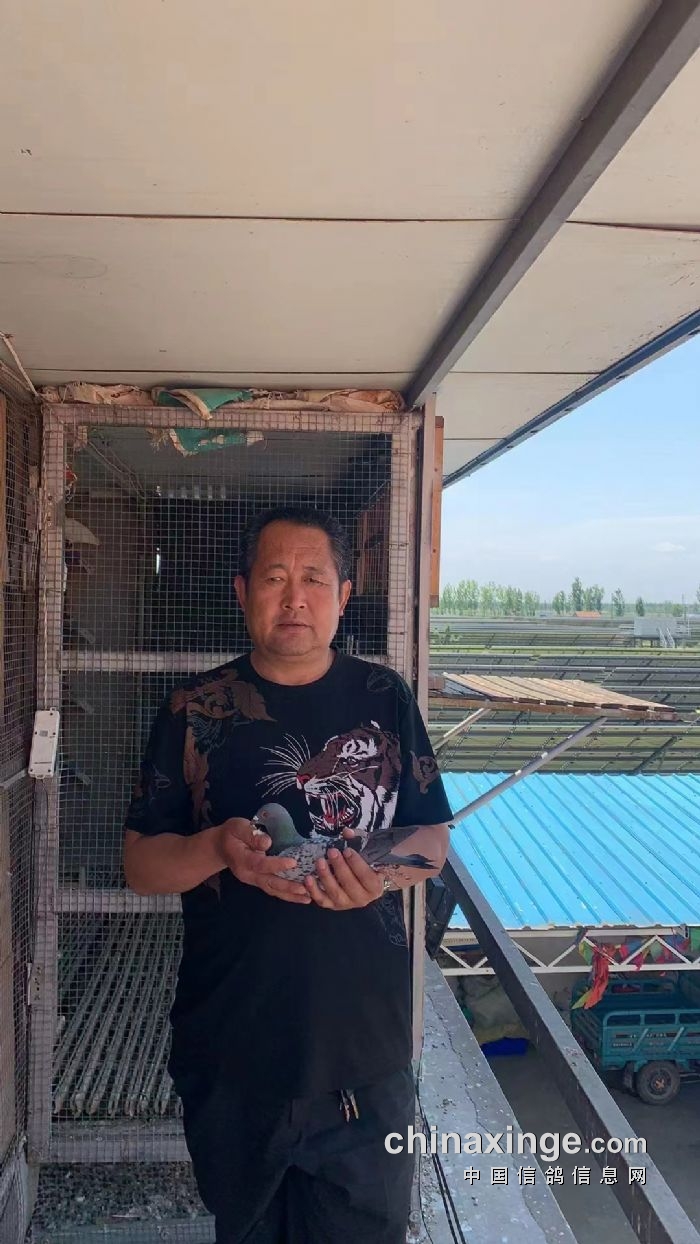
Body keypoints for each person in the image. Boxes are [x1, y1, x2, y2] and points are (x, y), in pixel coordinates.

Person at [123, 506, 452, 1244]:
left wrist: (374, 873)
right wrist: (218, 850)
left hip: (363, 1052)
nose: (294, 598)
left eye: (313, 579)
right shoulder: (193, 709)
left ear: (344, 593)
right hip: (232, 1046)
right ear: (242, 591)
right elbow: (140, 864)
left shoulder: (385, 696)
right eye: (274, 578)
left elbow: (432, 838)